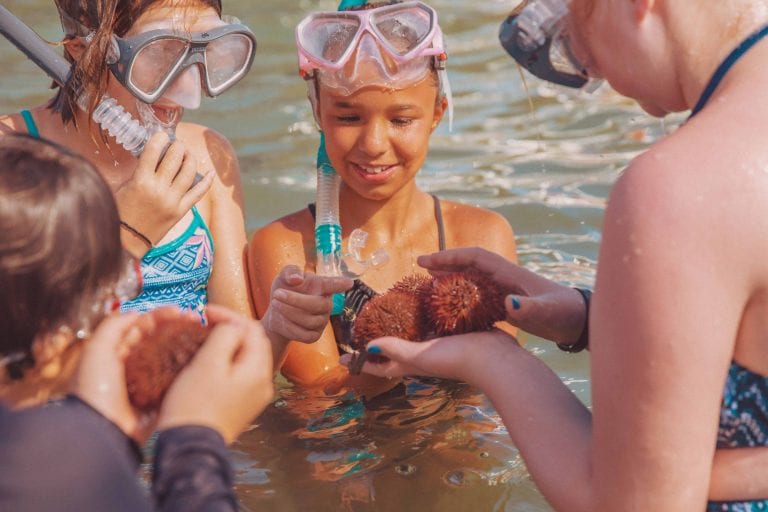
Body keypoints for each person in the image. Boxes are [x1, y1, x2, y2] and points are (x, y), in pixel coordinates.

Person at [351, 0, 768, 509]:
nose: (603, 79)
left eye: (575, 44)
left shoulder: (678, 187)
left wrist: (493, 358)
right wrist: (593, 320)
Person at [0, 0, 350, 364]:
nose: (190, 92)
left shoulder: (206, 153)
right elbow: (21, 365)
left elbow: (237, 365)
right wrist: (129, 234)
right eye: (161, 53)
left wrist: (277, 328)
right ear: (84, 51)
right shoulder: (13, 161)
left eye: (205, 52)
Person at [248, 0, 517, 393]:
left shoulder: (481, 237)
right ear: (318, 112)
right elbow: (318, 401)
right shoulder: (285, 248)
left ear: (437, 113)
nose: (374, 144)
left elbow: (494, 396)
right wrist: (409, 358)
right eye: (348, 117)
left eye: (401, 120)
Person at [0, 134, 274, 511]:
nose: (139, 283)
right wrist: (192, 441)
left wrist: (109, 431)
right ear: (52, 337)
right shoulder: (45, 456)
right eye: (116, 283)